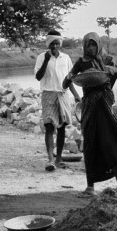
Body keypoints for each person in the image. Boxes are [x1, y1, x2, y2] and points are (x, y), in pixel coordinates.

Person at [63, 32, 117, 195]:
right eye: (87, 45)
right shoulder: (81, 62)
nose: (90, 48)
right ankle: (90, 186)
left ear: (98, 44)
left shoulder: (108, 60)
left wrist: (114, 69)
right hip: (89, 107)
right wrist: (69, 77)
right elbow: (65, 83)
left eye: (93, 44)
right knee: (90, 144)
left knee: (108, 141)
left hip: (104, 106)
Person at [35, 32, 80, 171]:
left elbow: (69, 79)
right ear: (48, 44)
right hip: (48, 94)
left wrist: (77, 95)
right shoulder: (42, 57)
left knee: (61, 127)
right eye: (52, 43)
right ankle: (50, 159)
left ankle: (59, 158)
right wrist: (46, 61)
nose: (55, 46)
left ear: (60, 44)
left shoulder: (65, 58)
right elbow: (38, 77)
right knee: (49, 126)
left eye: (57, 43)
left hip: (63, 94)